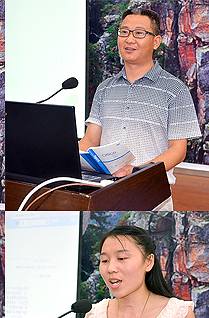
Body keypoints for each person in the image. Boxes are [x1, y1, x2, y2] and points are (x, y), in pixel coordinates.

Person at [79, 8, 201, 205]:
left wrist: (136, 171)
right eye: (124, 32)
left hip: (151, 195)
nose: (129, 39)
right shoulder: (104, 88)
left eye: (139, 33)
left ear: (156, 41)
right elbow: (91, 139)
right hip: (103, 192)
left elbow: (178, 150)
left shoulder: (175, 90)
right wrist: (67, 158)